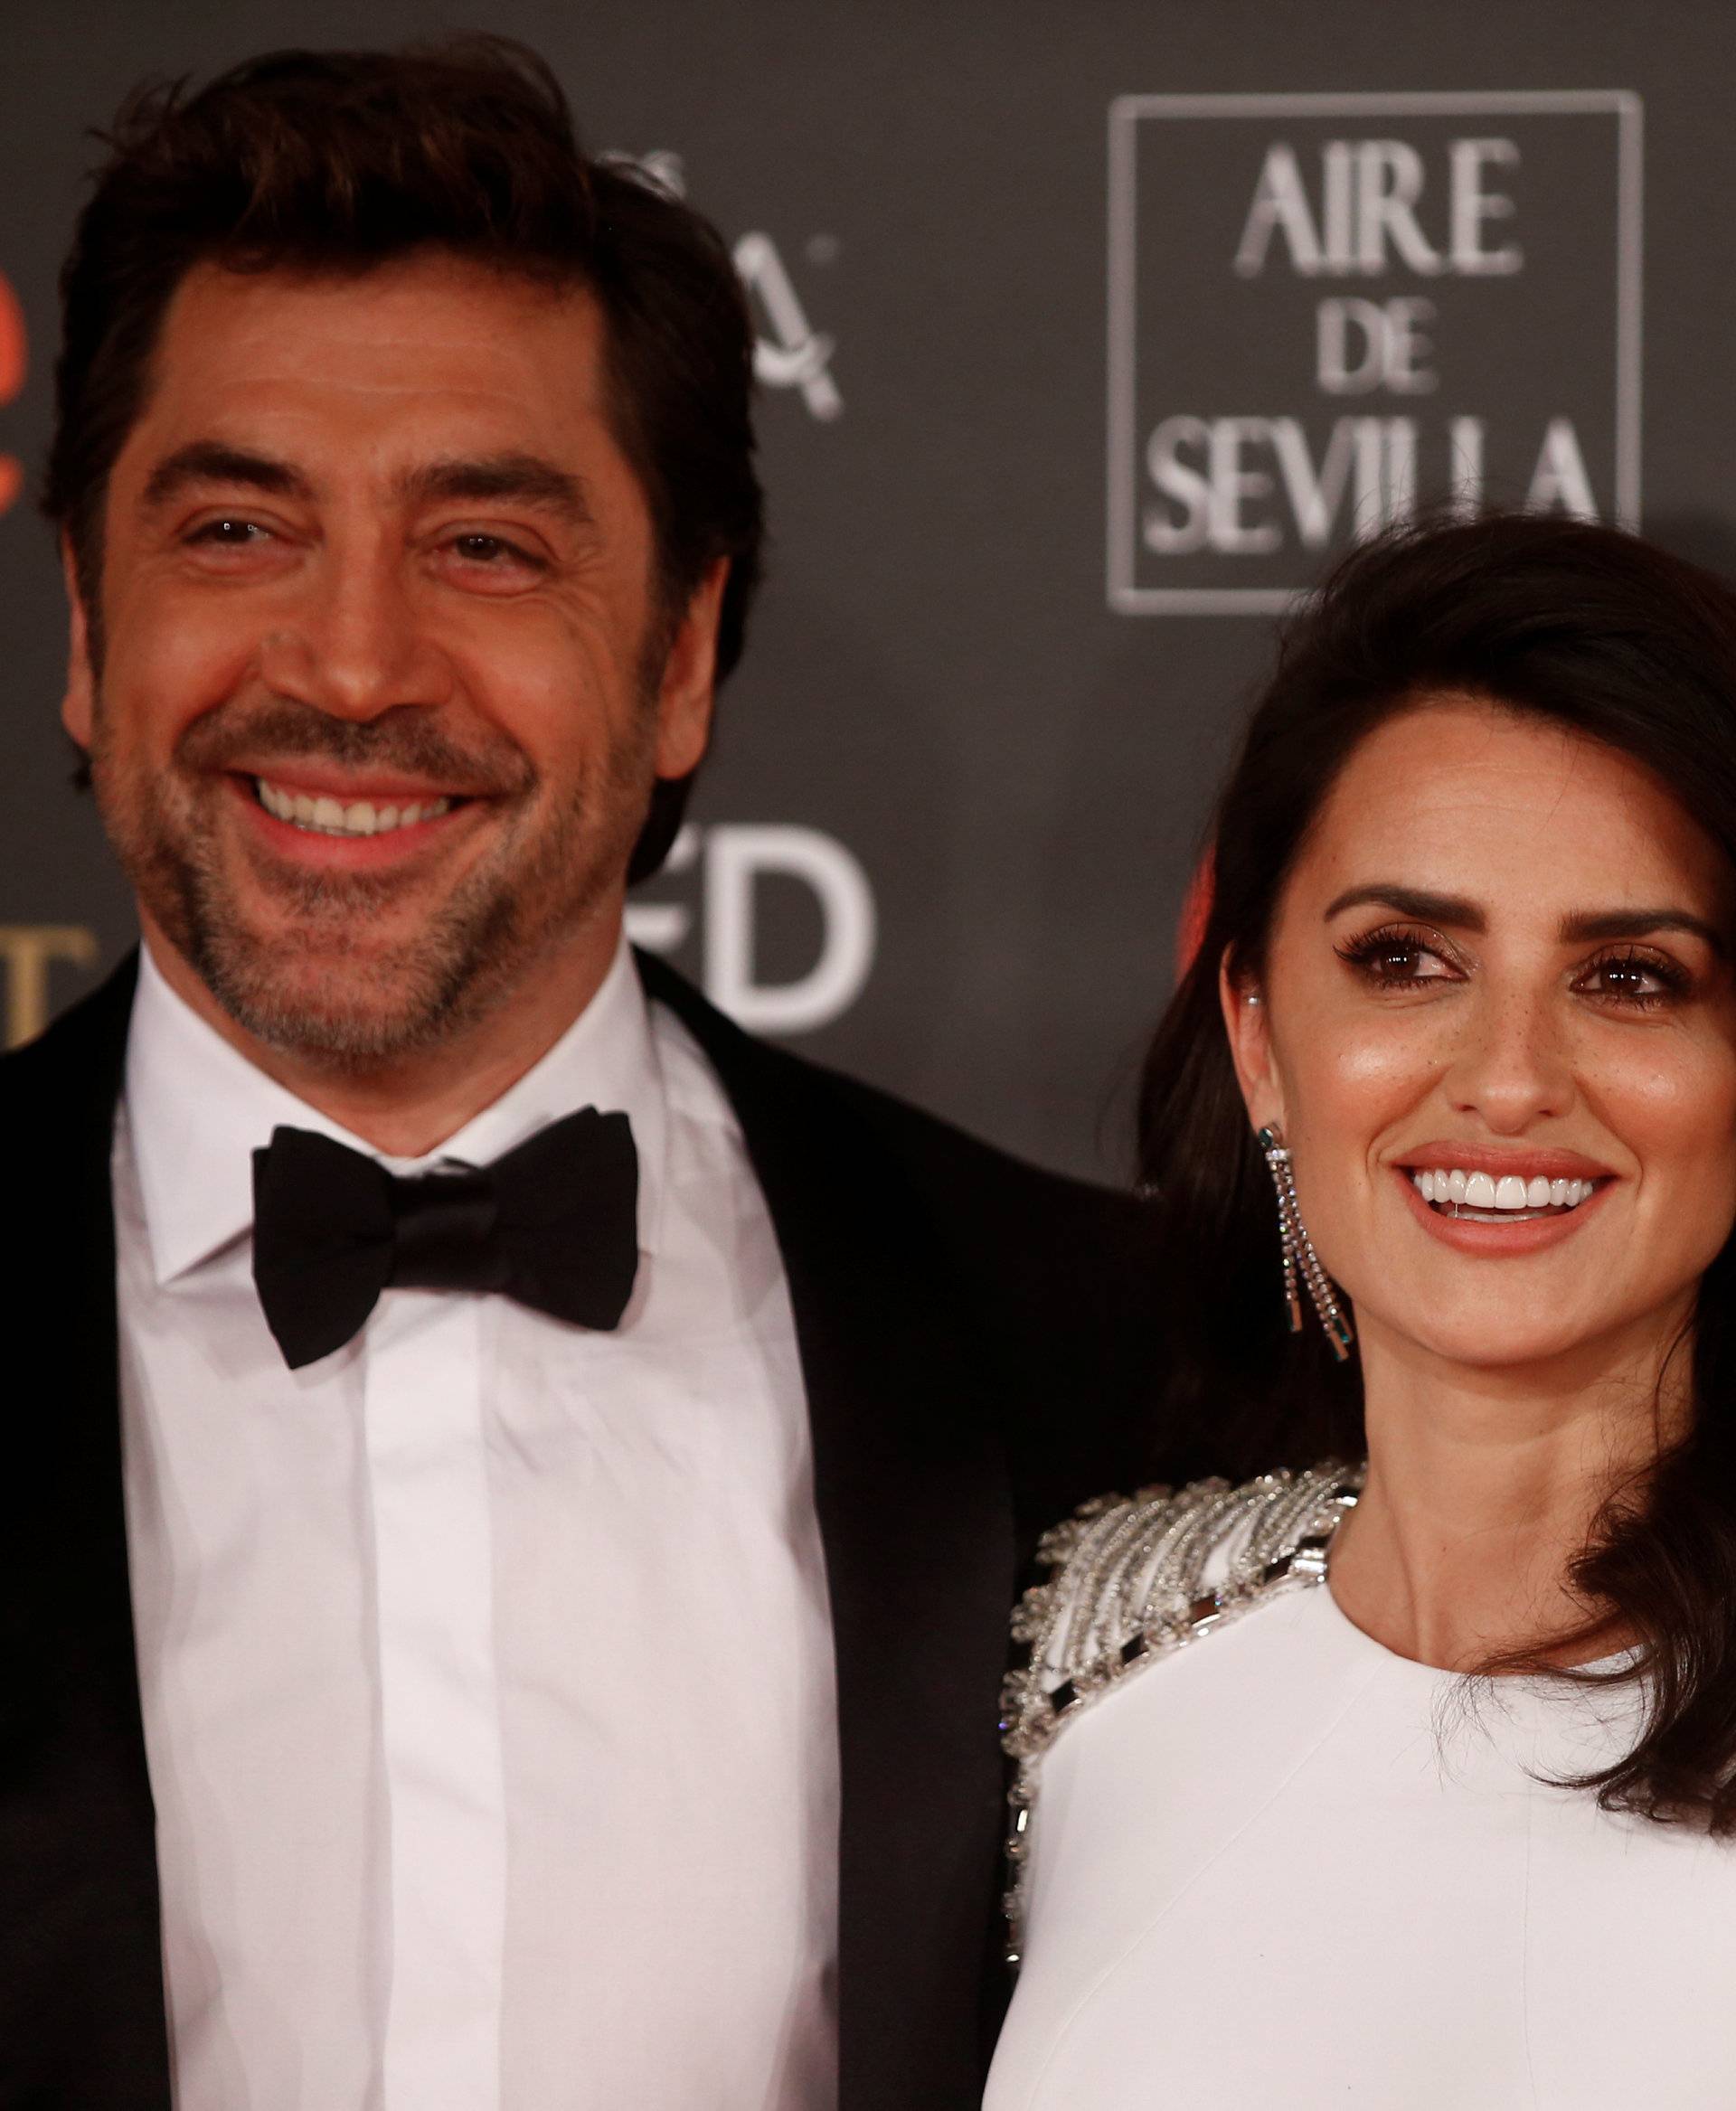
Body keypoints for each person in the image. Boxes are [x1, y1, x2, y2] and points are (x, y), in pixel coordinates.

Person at [0, 41, 1177, 2111]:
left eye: (486, 547)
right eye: (239, 527)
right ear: (87, 623)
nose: (350, 667)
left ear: (682, 656)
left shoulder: (1106, 1369)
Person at [987, 513, 1736, 2109]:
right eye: (1405, 959)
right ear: (1259, 1040)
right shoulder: (1096, 1654)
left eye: (1632, 977)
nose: (1512, 1078)